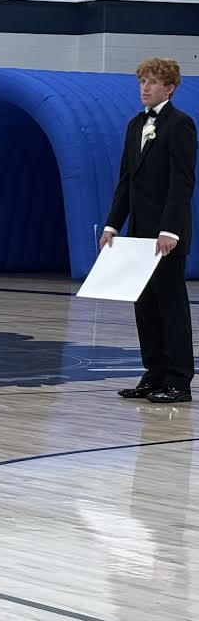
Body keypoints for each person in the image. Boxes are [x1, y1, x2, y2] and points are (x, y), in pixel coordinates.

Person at [102, 57, 197, 404]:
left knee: (171, 306)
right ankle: (153, 374)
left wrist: (170, 229)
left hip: (166, 235)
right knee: (145, 307)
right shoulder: (133, 125)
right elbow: (126, 181)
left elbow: (182, 182)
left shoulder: (181, 124)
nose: (145, 87)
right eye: (142, 81)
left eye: (153, 82)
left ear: (169, 88)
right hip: (138, 235)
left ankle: (178, 381)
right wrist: (113, 224)